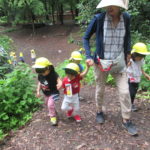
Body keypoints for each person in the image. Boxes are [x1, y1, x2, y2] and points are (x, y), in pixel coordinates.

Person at [83, 0, 138, 135]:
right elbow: (85, 38)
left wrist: (128, 53)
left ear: (120, 7)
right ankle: (99, 111)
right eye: (107, 5)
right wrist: (89, 56)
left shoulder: (126, 18)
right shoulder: (99, 19)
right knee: (100, 89)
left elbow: (128, 37)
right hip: (101, 63)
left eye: (112, 5)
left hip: (119, 63)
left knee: (125, 92)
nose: (109, 7)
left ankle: (126, 120)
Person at [32, 57, 62, 126]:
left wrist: (60, 83)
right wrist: (38, 91)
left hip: (53, 92)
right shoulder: (40, 75)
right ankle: (53, 111)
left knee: (50, 104)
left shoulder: (53, 74)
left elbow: (59, 80)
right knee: (47, 104)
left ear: (48, 68)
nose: (41, 73)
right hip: (46, 93)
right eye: (38, 70)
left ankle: (53, 118)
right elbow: (40, 82)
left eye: (42, 70)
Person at [127, 43, 150, 112]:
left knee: (134, 92)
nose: (141, 58)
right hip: (130, 78)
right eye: (140, 56)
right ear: (134, 55)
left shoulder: (141, 60)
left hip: (137, 78)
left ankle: (131, 103)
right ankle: (128, 104)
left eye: (143, 56)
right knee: (131, 92)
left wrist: (145, 74)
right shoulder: (130, 61)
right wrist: (127, 64)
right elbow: (125, 68)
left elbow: (140, 67)